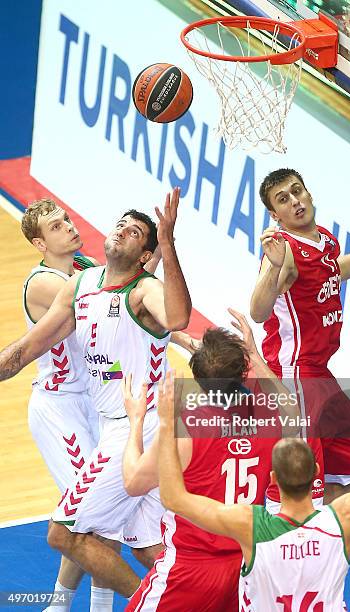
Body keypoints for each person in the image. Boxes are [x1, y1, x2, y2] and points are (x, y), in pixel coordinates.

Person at [0, 187, 191, 598]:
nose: (123, 229)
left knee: (65, 534)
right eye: (121, 223)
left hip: (138, 427)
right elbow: (24, 351)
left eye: (136, 231)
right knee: (149, 544)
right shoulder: (81, 284)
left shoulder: (144, 291)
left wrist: (169, 244)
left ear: (145, 256)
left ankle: (150, 605)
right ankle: (204, 601)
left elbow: (177, 316)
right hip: (111, 423)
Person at [157, 336, 350, 611]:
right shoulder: (342, 520)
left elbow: (174, 498)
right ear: (316, 472)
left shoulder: (251, 527)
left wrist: (166, 423)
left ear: (273, 480)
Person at [250, 168, 350, 506]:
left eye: (297, 191)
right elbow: (258, 310)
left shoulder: (324, 238)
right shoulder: (284, 252)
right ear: (274, 214)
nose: (295, 201)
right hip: (295, 376)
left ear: (308, 192)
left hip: (319, 373)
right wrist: (274, 267)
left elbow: (334, 271)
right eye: (283, 199)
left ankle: (322, 529)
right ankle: (281, 550)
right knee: (294, 494)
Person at [123, 310, 298, 611]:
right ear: (243, 372)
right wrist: (255, 356)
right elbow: (293, 411)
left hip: (192, 566)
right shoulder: (271, 416)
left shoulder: (186, 428)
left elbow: (133, 481)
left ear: (199, 380)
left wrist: (136, 421)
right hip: (246, 566)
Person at [21, 199, 108, 611]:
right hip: (59, 409)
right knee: (93, 508)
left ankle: (67, 606)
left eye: (68, 220)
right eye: (56, 227)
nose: (69, 227)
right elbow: (112, 304)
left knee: (105, 512)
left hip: (94, 405)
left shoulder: (86, 265)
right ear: (40, 243)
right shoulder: (43, 283)